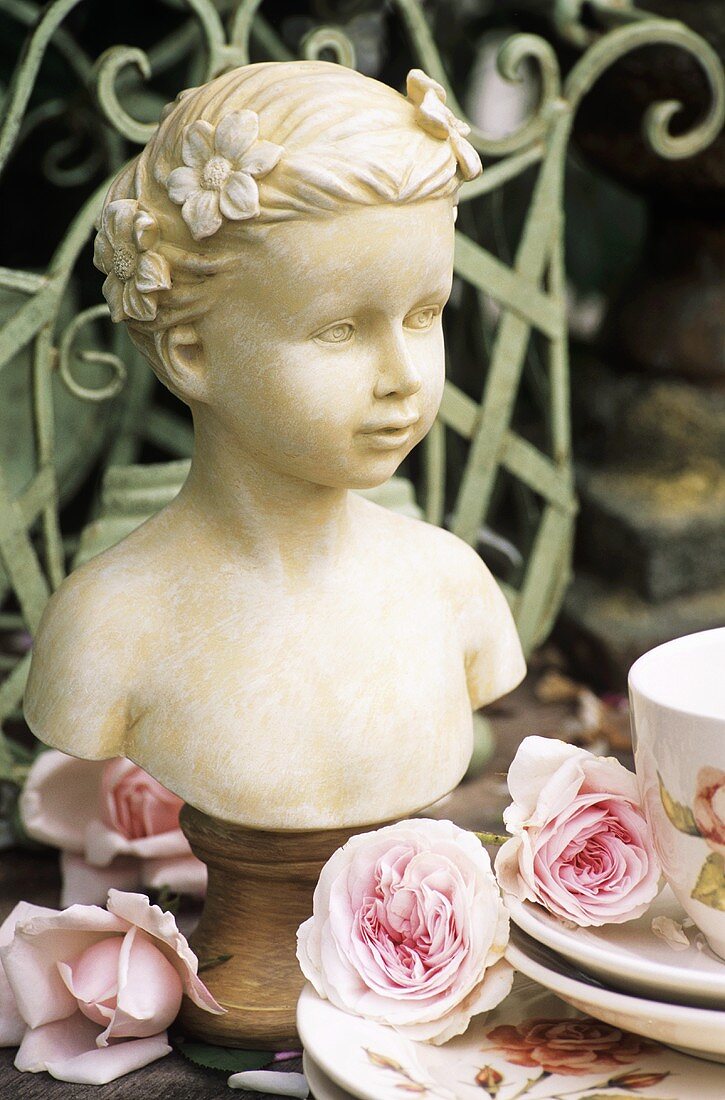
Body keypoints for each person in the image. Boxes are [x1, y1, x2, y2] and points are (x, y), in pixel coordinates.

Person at [24, 61, 525, 830]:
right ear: (191, 352)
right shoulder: (110, 630)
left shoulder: (451, 589)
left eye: (425, 315)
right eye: (339, 330)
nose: (403, 377)